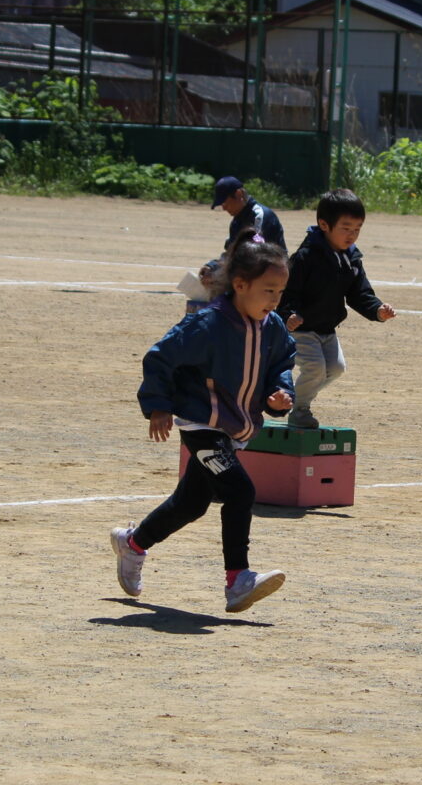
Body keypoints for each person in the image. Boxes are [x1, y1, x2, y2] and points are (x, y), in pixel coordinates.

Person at [113, 235, 296, 613]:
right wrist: (159, 406)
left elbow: (282, 364)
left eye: (280, 291)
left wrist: (278, 394)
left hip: (236, 427)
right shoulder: (208, 323)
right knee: (240, 491)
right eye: (268, 290)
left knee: (191, 503)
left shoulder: (273, 326)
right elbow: (160, 357)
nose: (275, 300)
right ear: (240, 285)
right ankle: (238, 580)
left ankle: (132, 544)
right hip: (202, 423)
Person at [277, 188, 396, 429]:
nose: (352, 235)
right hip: (301, 329)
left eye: (357, 229)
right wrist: (288, 315)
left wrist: (377, 311)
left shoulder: (351, 259)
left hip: (326, 328)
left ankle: (290, 398)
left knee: (336, 368)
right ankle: (300, 410)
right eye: (346, 227)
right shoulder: (305, 256)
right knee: (315, 369)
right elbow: (287, 292)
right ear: (324, 224)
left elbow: (360, 293)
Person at [212, 175, 285, 249]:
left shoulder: (260, 216)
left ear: (238, 194)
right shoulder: (235, 223)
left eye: (225, 203)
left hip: (271, 259)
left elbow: (257, 250)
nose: (224, 208)